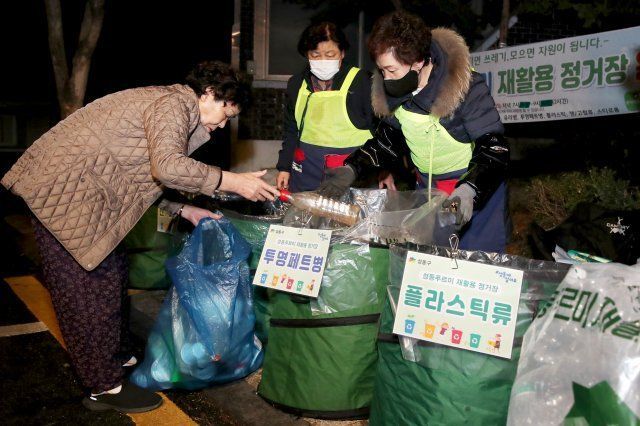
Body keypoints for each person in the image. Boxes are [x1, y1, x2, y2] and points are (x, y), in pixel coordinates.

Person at [1, 61, 279, 413]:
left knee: (111, 278)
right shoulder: (174, 105)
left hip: (85, 195)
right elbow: (167, 166)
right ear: (210, 93)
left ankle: (111, 357)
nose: (223, 125)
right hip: (65, 195)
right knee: (87, 292)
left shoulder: (167, 103)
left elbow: (141, 173)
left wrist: (183, 209)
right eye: (226, 113)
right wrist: (232, 180)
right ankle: (104, 387)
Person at [320, 11, 509, 253]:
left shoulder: (467, 89)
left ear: (419, 61)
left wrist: (470, 190)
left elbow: (494, 148)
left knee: (475, 266)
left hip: (471, 192)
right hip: (430, 190)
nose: (386, 80)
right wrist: (352, 167)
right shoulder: (396, 90)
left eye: (392, 70)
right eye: (382, 71)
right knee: (429, 264)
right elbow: (388, 141)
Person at [275, 21, 375, 193]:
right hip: (306, 174)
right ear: (307, 54)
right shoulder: (296, 84)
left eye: (330, 55)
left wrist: (382, 170)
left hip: (352, 176)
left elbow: (380, 131)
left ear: (342, 53)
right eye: (315, 55)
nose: (322, 61)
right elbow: (291, 130)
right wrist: (284, 167)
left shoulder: (362, 82)